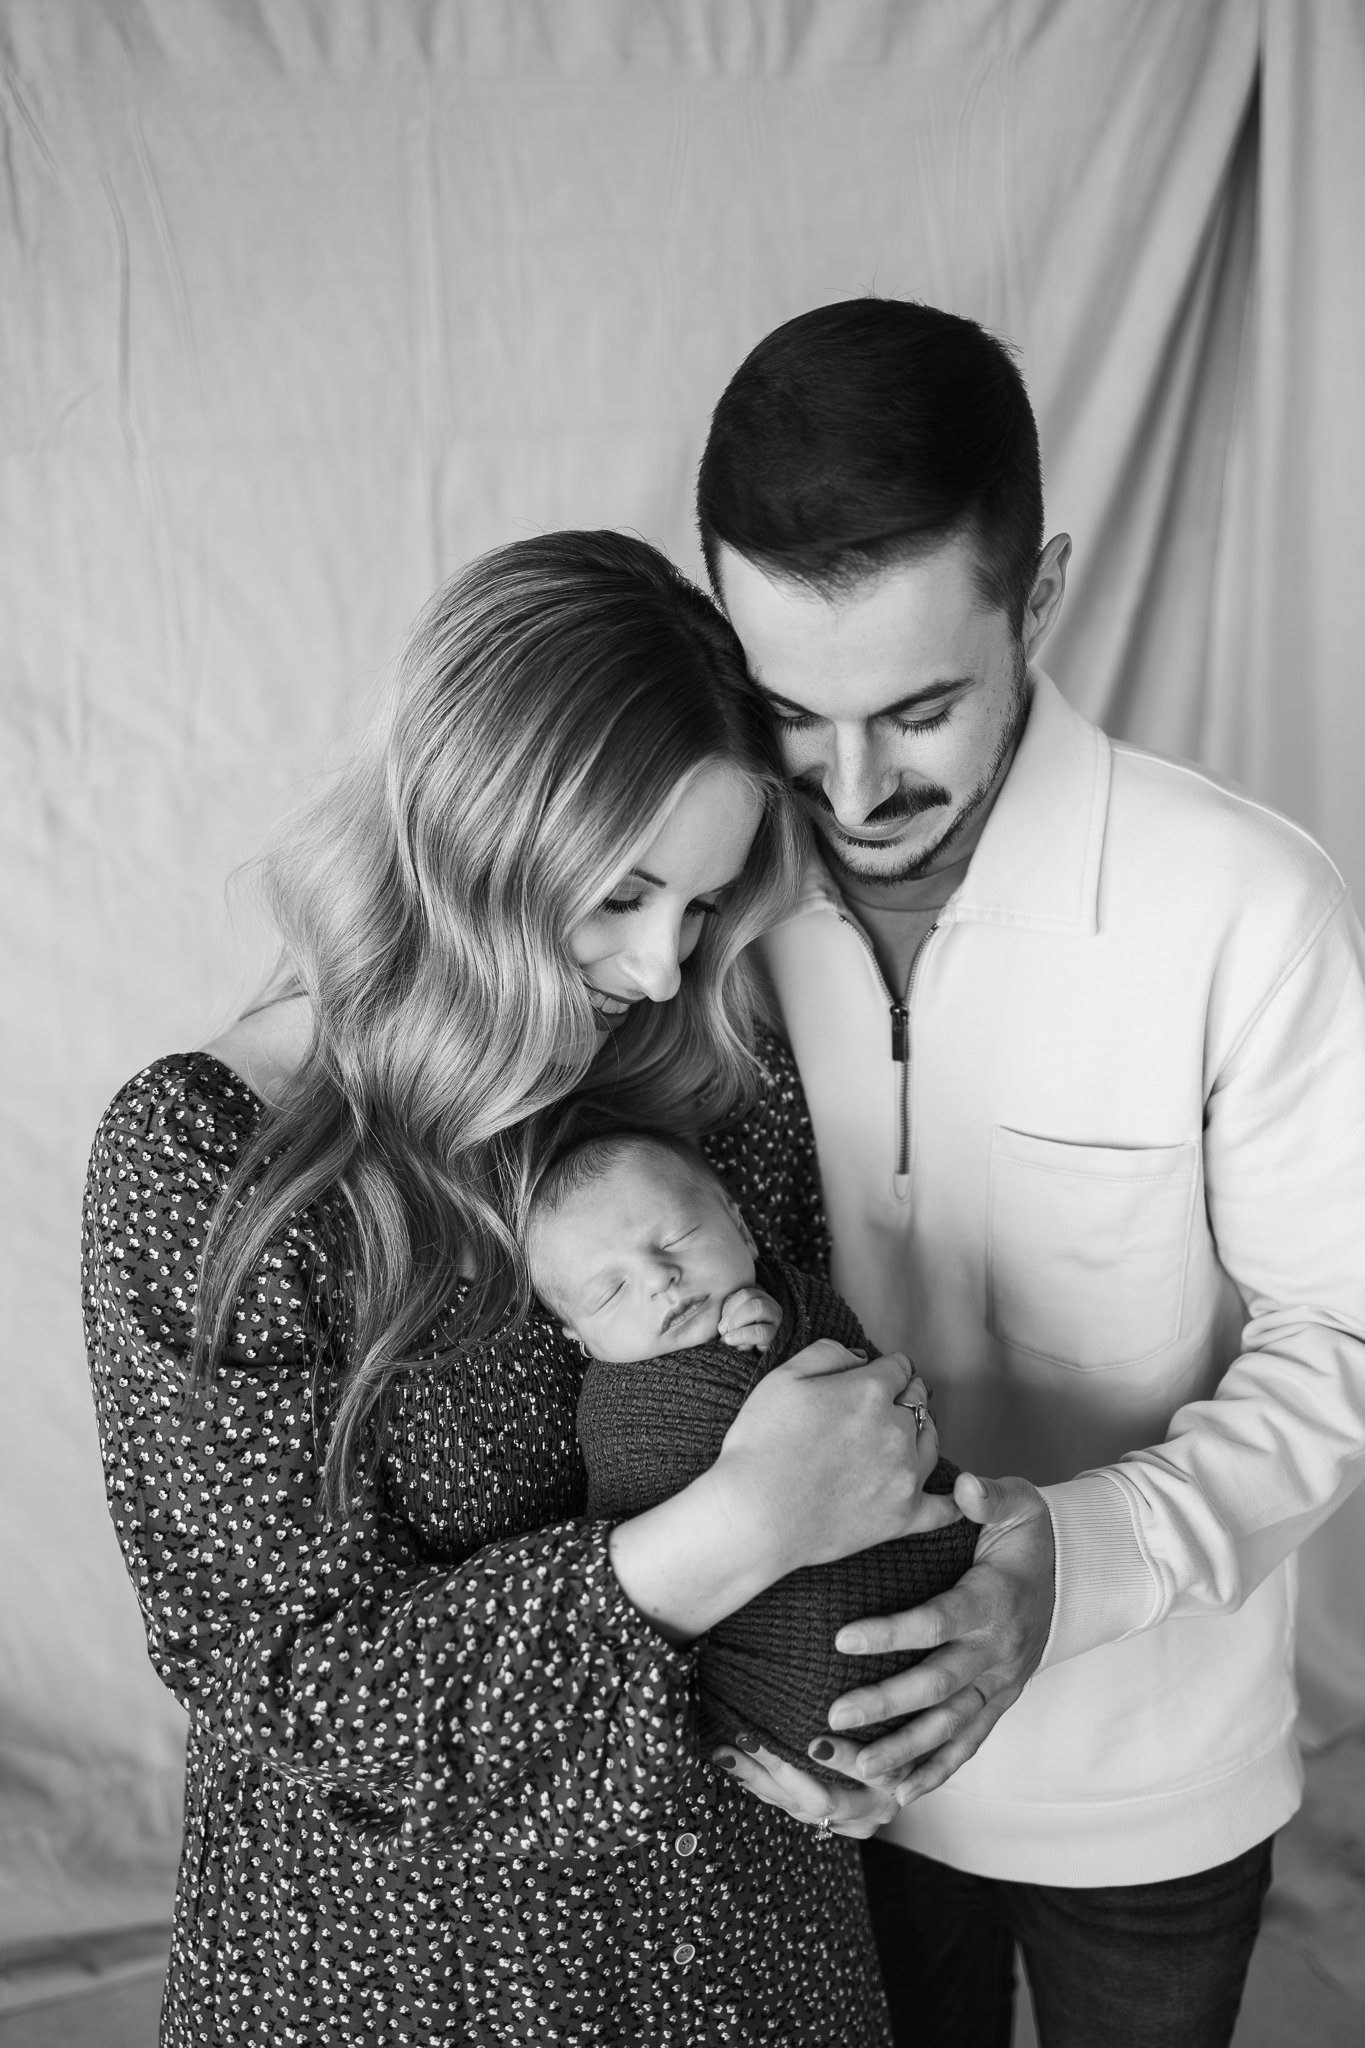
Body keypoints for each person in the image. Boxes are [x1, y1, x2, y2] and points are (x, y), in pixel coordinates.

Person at [81, 529, 961, 2047]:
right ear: (472, 835)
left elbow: (829, 1418)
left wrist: (867, 1698)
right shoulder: (213, 1159)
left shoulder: (708, 1079)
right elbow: (290, 1682)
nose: (660, 968)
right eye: (620, 897)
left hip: (744, 1940)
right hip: (406, 1975)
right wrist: (737, 1527)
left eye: (701, 907)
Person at [694, 298, 1365, 2048]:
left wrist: (1074, 1561)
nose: (851, 787)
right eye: (793, 712)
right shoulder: (693, 910)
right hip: (817, 1767)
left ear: (1040, 596)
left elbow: (1342, 1338)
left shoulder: (1249, 903)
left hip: (1155, 1785)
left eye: (918, 709)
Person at [524, 1127, 977, 1771]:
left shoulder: (788, 1299)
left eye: (677, 1238)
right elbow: (636, 1524)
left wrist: (787, 1332)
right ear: (578, 1337)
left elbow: (869, 1385)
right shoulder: (616, 1414)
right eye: (609, 1292)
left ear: (741, 1227)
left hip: (954, 1615)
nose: (658, 1278)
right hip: (770, 1691)